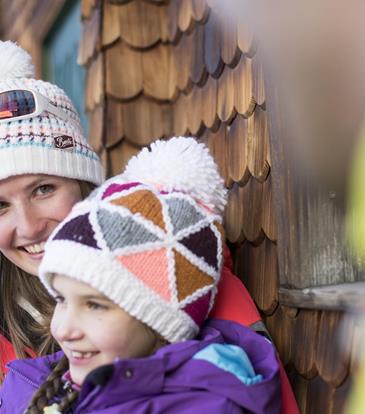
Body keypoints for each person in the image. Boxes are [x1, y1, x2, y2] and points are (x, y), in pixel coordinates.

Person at [0, 137, 281, 413]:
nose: (62, 329)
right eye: (61, 298)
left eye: (44, 189)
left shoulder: (208, 393)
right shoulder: (32, 381)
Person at [0, 40, 104, 375]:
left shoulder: (178, 265)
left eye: (43, 189)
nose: (28, 227)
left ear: (83, 184)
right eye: (0, 206)